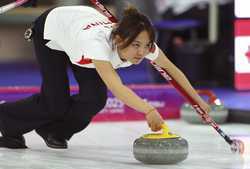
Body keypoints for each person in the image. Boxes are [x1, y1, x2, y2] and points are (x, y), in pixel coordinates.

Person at [0, 5, 210, 149]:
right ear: (118, 40)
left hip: (78, 31)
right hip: (52, 29)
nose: (141, 52)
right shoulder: (98, 46)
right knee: (55, 102)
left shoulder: (145, 46)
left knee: (95, 99)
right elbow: (116, 87)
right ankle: (4, 118)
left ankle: (54, 131)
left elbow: (173, 71)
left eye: (146, 46)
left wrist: (198, 100)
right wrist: (149, 110)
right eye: (136, 45)